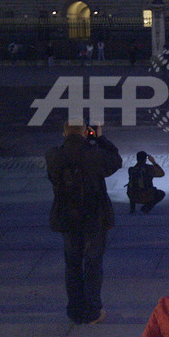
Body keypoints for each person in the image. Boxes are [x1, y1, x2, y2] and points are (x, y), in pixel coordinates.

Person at [45, 123, 122, 324]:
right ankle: (92, 309)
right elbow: (115, 161)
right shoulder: (93, 154)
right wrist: (100, 139)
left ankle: (74, 309)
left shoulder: (53, 155)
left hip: (67, 218)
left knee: (72, 264)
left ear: (64, 133)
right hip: (94, 217)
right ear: (84, 132)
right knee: (93, 264)